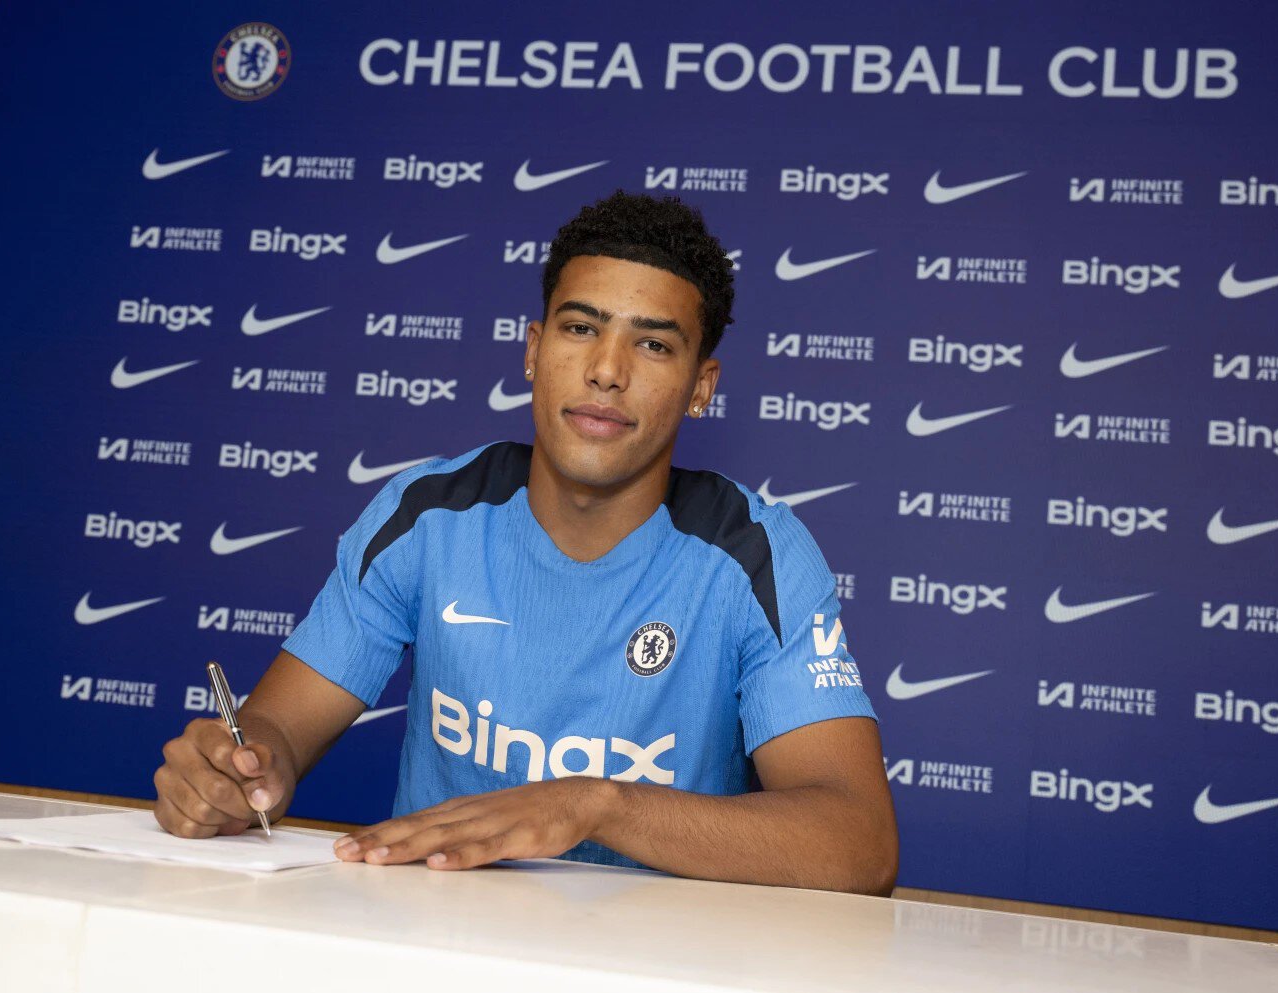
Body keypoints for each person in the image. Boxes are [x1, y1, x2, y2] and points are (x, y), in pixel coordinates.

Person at [154, 190, 899, 893]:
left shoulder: (757, 553)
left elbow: (859, 843)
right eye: (581, 329)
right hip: (439, 941)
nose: (606, 371)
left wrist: (595, 805)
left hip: (656, 959)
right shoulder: (427, 515)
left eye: (653, 345)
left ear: (702, 386)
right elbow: (280, 728)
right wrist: (239, 769)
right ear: (533, 350)